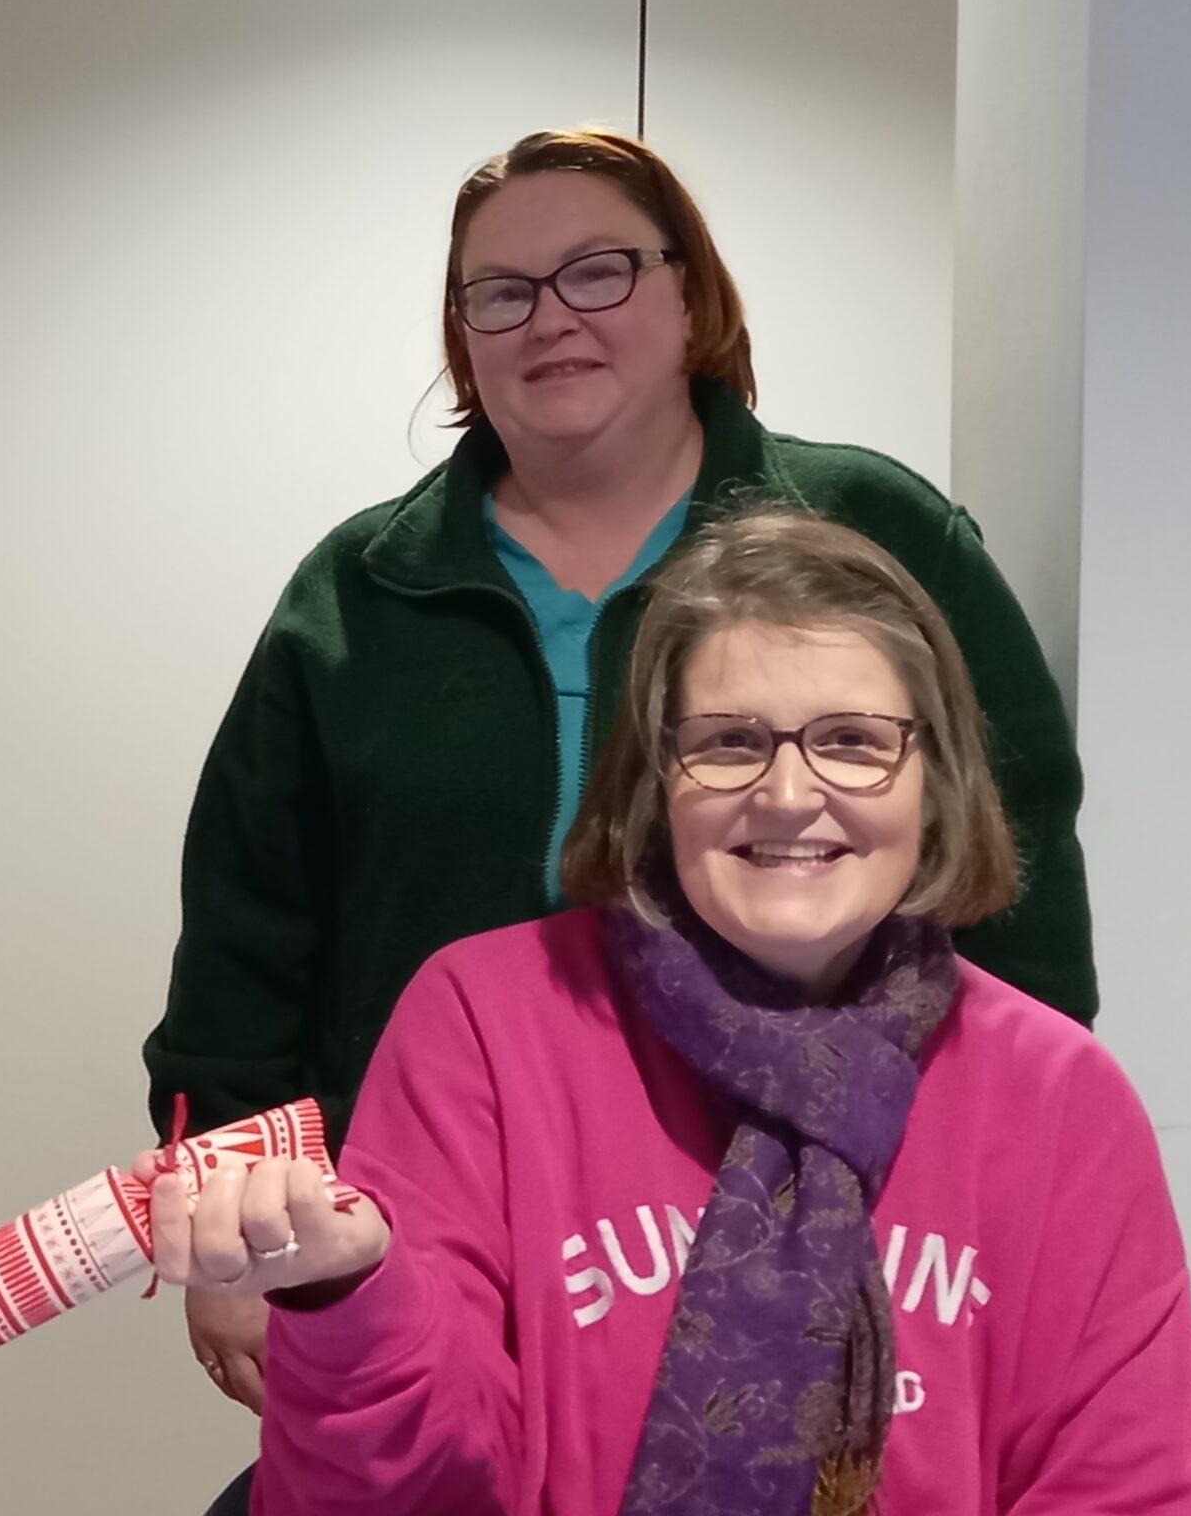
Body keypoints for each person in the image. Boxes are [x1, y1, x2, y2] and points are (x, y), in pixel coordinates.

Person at [142, 127, 1096, 1421]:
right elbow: (245, 948)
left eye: (599, 271)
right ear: (462, 334)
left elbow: (1013, 868)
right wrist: (232, 1228)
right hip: (427, 1213)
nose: (550, 319)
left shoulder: (871, 530)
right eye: (502, 292)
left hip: (820, 1195)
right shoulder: (356, 596)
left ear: (690, 293)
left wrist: (1018, 1171)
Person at [140, 512, 1191, 1515]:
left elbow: (1135, 1489)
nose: (790, 794)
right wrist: (347, 1293)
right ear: (653, 781)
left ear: (934, 782)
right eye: (727, 742)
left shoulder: (1055, 1095)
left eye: (852, 740)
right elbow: (390, 1492)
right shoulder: (485, 1022)